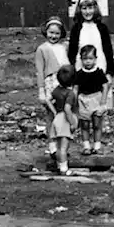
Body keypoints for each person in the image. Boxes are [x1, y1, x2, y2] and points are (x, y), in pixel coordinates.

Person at [34, 16, 69, 165]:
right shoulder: (42, 49)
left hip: (64, 83)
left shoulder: (63, 47)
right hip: (50, 83)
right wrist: (41, 90)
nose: (53, 36)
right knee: (51, 114)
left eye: (57, 33)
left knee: (64, 114)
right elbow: (40, 71)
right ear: (46, 32)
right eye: (51, 32)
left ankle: (63, 147)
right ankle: (52, 145)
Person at [67, 0, 114, 79]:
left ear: (95, 9)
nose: (87, 12)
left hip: (100, 65)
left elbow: (108, 50)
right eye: (84, 8)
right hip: (81, 67)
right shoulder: (76, 29)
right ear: (80, 10)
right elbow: (72, 52)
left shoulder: (102, 28)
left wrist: (109, 72)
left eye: (90, 8)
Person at [74, 44, 111, 153]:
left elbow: (105, 86)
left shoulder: (99, 73)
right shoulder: (79, 74)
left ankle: (97, 146)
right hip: (83, 100)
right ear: (81, 59)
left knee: (97, 123)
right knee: (84, 125)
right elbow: (75, 88)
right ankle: (86, 146)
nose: (88, 61)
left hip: (96, 99)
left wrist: (103, 101)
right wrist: (74, 102)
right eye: (85, 59)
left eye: (90, 58)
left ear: (95, 59)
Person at [47, 66, 79, 174]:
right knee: (63, 148)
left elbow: (48, 100)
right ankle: (64, 169)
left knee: (59, 146)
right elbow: (67, 109)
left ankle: (58, 164)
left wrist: (55, 112)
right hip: (65, 120)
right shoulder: (70, 93)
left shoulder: (56, 90)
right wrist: (72, 123)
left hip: (57, 118)